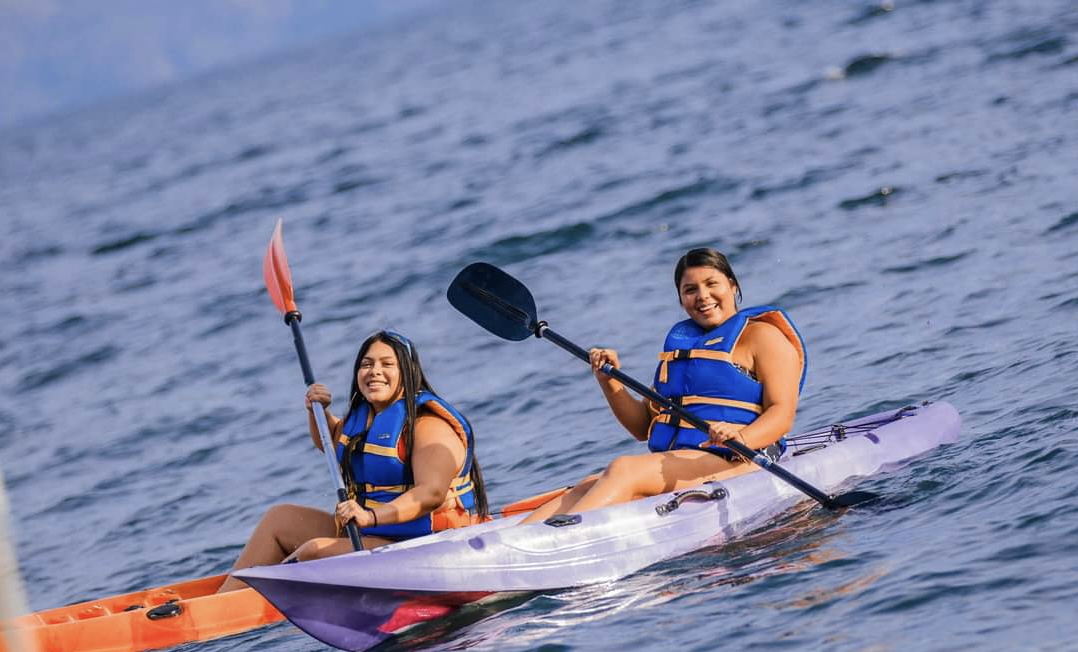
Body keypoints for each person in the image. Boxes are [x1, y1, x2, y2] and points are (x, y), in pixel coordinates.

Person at [521, 248, 806, 524]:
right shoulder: (684, 348)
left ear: (732, 285)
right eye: (690, 290)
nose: (703, 296)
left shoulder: (763, 336)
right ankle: (508, 543)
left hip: (741, 458)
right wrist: (609, 381)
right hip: (688, 459)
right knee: (585, 486)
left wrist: (741, 437)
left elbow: (782, 414)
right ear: (681, 299)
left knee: (624, 469)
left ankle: (559, 540)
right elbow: (642, 426)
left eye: (711, 284)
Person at [219, 330, 489, 592]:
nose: (374, 372)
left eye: (387, 364)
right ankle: (225, 601)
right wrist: (319, 412)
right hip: (377, 536)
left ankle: (257, 600)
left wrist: (369, 516)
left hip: (425, 544)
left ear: (407, 372)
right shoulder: (365, 419)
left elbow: (430, 494)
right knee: (281, 518)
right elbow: (333, 442)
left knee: (314, 551)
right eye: (366, 364)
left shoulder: (428, 426)